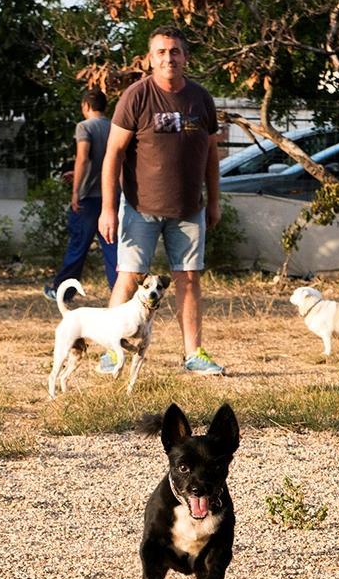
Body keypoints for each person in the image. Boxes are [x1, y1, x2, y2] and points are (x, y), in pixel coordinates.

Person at [97, 25, 225, 376]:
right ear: (149, 59)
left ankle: (194, 355)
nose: (169, 57)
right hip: (140, 209)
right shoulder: (136, 97)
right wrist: (109, 208)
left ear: (185, 57)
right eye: (161, 52)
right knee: (129, 276)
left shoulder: (201, 99)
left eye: (175, 51)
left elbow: (212, 155)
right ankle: (112, 352)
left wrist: (213, 201)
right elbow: (113, 155)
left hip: (188, 210)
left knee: (189, 280)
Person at [43, 90, 118, 304]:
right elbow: (109, 160)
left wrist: (76, 191)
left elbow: (83, 159)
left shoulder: (84, 127)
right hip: (111, 197)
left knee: (78, 247)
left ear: (86, 105)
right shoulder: (114, 126)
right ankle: (119, 292)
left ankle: (62, 292)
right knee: (113, 248)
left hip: (89, 198)